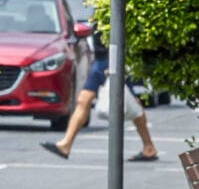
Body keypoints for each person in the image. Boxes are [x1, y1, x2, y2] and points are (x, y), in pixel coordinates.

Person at [43, 30, 159, 162]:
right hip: (100, 61)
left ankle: (148, 146)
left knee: (133, 103)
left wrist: (118, 63)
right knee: (83, 100)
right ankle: (66, 144)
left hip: (113, 60)